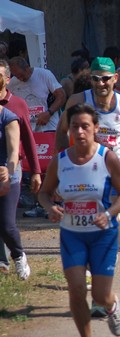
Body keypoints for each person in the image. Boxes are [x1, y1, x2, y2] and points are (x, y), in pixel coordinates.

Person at [38, 103, 120, 337]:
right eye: (74, 126)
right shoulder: (61, 160)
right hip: (72, 234)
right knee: (77, 288)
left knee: (100, 296)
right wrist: (50, 207)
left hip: (103, 235)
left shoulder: (107, 157)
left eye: (85, 126)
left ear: (96, 129)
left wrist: (109, 213)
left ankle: (112, 306)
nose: (79, 132)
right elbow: (44, 193)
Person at [55, 57, 120, 194]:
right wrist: (63, 165)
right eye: (95, 79)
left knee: (110, 214)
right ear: (90, 79)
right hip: (83, 172)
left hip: (116, 172)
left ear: (115, 78)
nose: (100, 83)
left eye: (106, 79)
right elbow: (61, 132)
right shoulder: (77, 101)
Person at [8, 56, 66, 217]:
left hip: (49, 127)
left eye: (21, 75)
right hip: (30, 130)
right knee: (35, 168)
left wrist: (49, 112)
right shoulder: (13, 83)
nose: (20, 78)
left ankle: (55, 202)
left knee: (51, 165)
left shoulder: (43, 75)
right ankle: (38, 203)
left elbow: (61, 95)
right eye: (16, 75)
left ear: (27, 68)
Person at [0, 59, 39, 276]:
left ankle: (18, 256)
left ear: (7, 80)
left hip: (10, 172)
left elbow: (27, 141)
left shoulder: (16, 106)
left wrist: (35, 172)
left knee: (6, 223)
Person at [0, 91, 30, 279]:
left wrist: (7, 174)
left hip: (6, 174)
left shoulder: (8, 117)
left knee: (6, 225)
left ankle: (18, 256)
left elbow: (13, 153)